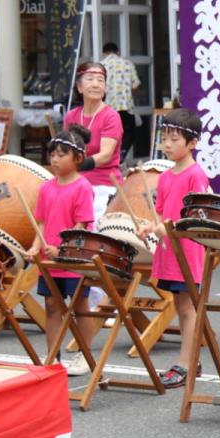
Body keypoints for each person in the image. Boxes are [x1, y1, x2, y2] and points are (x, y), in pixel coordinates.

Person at [137, 108, 210, 389]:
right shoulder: (166, 177)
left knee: (188, 307)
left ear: (192, 143)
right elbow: (160, 214)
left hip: (188, 250)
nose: (167, 144)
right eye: (164, 138)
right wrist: (150, 227)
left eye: (174, 139)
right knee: (180, 306)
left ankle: (185, 363)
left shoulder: (196, 174)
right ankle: (191, 360)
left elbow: (197, 216)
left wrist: (164, 227)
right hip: (170, 249)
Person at [27, 126, 101, 377]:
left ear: (78, 158)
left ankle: (84, 353)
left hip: (74, 258)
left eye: (62, 154)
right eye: (53, 154)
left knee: (80, 306)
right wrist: (35, 247)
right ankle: (53, 355)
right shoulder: (46, 187)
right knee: (51, 305)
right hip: (50, 258)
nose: (55, 159)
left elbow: (81, 227)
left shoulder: (82, 187)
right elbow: (42, 222)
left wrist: (62, 249)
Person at [63, 62, 123, 220]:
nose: (96, 84)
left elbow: (105, 155)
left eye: (101, 80)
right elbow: (64, 149)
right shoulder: (71, 116)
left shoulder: (111, 116)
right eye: (90, 79)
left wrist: (75, 165)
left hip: (103, 185)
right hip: (74, 181)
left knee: (92, 229)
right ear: (79, 87)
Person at [100, 43, 141, 161]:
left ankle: (112, 157)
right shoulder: (127, 64)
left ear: (104, 53)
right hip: (126, 106)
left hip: (108, 107)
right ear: (118, 52)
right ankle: (121, 154)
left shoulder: (101, 65)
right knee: (130, 133)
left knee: (111, 135)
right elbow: (136, 85)